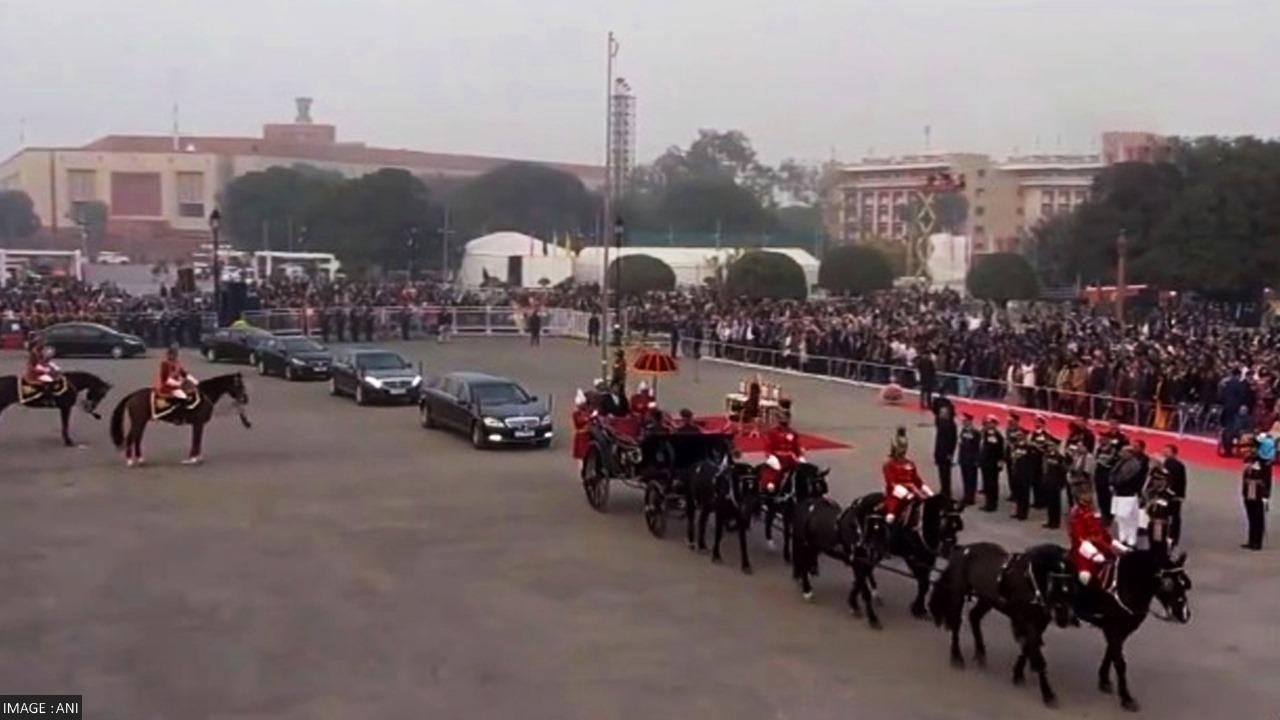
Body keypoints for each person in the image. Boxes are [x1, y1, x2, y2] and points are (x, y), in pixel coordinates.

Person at [1068, 476, 1126, 589]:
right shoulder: (1076, 512)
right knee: (1086, 576)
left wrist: (1117, 545)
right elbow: (1080, 537)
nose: (1089, 496)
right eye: (1085, 494)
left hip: (1101, 545)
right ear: (1078, 496)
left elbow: (1102, 530)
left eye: (1089, 493)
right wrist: (1093, 554)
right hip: (1083, 551)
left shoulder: (1093, 509)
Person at [883, 429, 933, 526]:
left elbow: (917, 480)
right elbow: (891, 482)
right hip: (896, 494)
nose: (903, 451)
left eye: (904, 448)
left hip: (913, 492)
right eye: (900, 448)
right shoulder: (889, 464)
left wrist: (928, 491)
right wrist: (905, 494)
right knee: (891, 516)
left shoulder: (910, 463)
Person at [759, 412, 805, 494]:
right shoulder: (772, 432)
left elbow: (796, 446)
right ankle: (770, 484)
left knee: (803, 469)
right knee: (775, 469)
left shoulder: (793, 433)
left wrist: (800, 456)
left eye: (786, 419)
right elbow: (768, 446)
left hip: (790, 458)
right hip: (777, 457)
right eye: (781, 419)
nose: (784, 421)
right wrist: (770, 456)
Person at [1094, 418, 1128, 525]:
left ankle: (1109, 514)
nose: (1112, 426)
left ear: (1118, 425)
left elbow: (1125, 453)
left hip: (1112, 468)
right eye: (1111, 424)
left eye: (1115, 424)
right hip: (1101, 466)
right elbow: (1099, 449)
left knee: (1108, 492)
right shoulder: (1105, 435)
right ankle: (1103, 511)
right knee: (1100, 489)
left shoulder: (1122, 438)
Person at [1110, 445, 1145, 546]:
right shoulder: (1121, 462)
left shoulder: (1135, 466)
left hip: (1128, 495)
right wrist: (1112, 484)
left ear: (1130, 454)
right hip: (1119, 494)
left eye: (1123, 452)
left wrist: (1115, 484)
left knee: (1129, 519)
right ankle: (1123, 537)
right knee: (1120, 518)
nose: (1121, 453)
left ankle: (1131, 540)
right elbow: (1113, 475)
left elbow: (1125, 479)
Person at [1141, 464, 1178, 555]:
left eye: (1159, 480)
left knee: (1159, 545)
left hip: (1160, 523)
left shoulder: (1169, 495)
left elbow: (1173, 514)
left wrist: (1172, 534)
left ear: (1165, 481)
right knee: (1152, 543)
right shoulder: (1152, 492)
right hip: (1151, 521)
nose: (1156, 482)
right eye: (1155, 480)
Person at [1241, 437, 1271, 550]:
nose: (1249, 450)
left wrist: (1266, 496)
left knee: (1258, 517)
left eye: (1251, 447)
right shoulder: (1248, 460)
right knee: (1251, 516)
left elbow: (1267, 480)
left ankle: (1257, 542)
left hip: (1258, 492)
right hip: (1249, 491)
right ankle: (1251, 539)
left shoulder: (1263, 463)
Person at [1161, 444, 1187, 546]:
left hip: (1173, 495)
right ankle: (1170, 536)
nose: (1164, 452)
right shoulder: (1169, 463)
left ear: (1173, 453)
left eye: (1167, 451)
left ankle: (1172, 537)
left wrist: (1175, 494)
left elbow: (1177, 481)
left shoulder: (1174, 465)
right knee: (1170, 516)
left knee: (1173, 516)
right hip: (1173, 494)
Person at [979, 415, 1005, 512]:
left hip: (992, 464)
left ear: (995, 424)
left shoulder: (996, 436)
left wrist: (1000, 463)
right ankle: (988, 502)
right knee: (987, 484)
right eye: (987, 423)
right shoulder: (985, 434)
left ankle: (992, 504)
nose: (988, 425)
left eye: (990, 423)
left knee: (992, 484)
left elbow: (999, 451)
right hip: (985, 463)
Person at [933, 398, 958, 499]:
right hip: (939, 452)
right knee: (941, 473)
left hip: (946, 453)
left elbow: (953, 441)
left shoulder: (951, 425)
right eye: (940, 412)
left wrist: (950, 454)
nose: (941, 414)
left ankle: (947, 492)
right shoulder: (941, 422)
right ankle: (943, 489)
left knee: (946, 473)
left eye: (943, 412)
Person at [1042, 438, 1068, 529]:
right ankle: (1050, 520)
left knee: (1056, 503)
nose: (1051, 448)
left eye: (1053, 446)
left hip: (1056, 483)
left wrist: (1062, 483)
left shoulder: (1060, 458)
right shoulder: (1047, 456)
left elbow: (1063, 471)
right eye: (1050, 446)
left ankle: (1055, 522)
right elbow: (1045, 469)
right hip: (1048, 482)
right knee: (1049, 503)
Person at [957, 412, 981, 506]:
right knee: (965, 478)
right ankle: (966, 495)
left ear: (970, 421)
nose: (964, 422)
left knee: (971, 479)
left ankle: (970, 497)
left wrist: (976, 460)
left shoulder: (975, 432)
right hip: (964, 459)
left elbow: (977, 448)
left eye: (966, 421)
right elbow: (961, 445)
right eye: (963, 421)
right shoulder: (963, 431)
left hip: (971, 460)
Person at [571, 389, 593, 463]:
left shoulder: (588, 411)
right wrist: (587, 419)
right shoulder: (576, 414)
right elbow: (579, 421)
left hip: (587, 436)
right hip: (581, 437)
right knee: (582, 457)